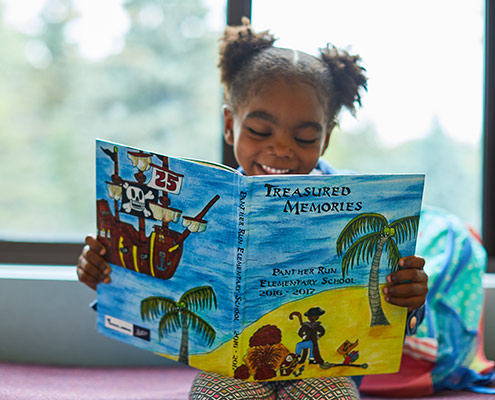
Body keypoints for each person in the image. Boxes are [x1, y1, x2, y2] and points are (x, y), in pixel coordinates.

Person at [77, 19, 429, 400]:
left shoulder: (361, 209)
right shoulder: (208, 205)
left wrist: (410, 297)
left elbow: (393, 315)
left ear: (326, 139)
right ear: (230, 126)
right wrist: (104, 270)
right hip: (233, 373)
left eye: (305, 137)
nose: (281, 149)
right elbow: (153, 282)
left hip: (324, 371)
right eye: (260, 132)